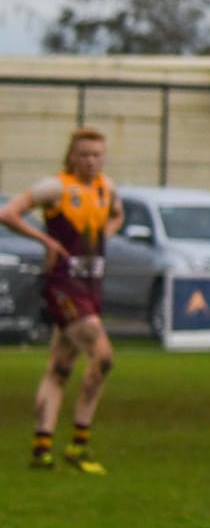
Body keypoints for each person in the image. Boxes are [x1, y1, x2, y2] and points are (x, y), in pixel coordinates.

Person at [0, 127, 122, 473]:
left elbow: (117, 215)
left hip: (91, 284)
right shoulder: (55, 187)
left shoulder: (106, 188)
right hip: (64, 286)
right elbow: (9, 213)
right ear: (72, 156)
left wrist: (100, 239)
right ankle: (79, 444)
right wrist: (47, 242)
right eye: (84, 154)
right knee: (103, 357)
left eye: (97, 154)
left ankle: (42, 447)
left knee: (60, 367)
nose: (91, 161)